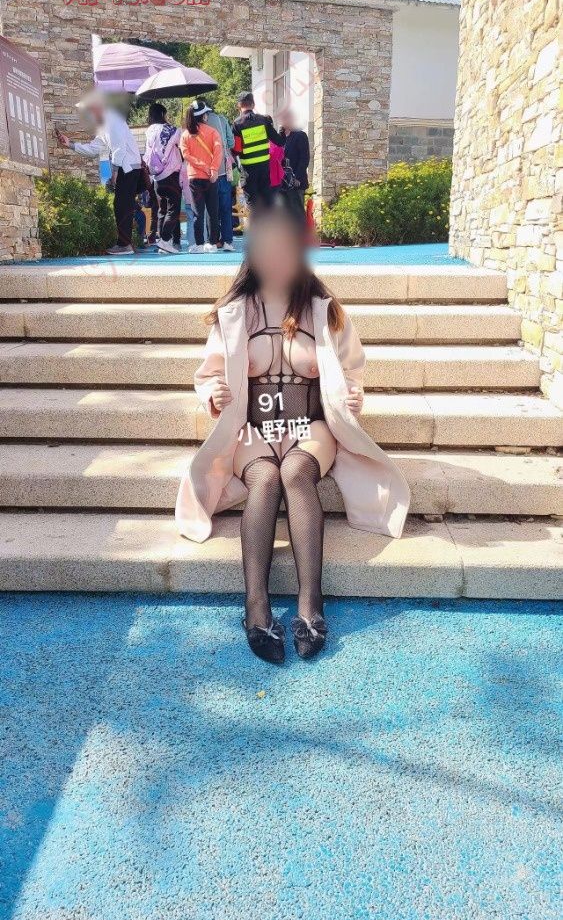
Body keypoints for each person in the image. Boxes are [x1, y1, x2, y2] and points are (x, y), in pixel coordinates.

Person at [175, 206, 410, 664]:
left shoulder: (324, 310)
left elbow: (351, 368)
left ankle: (310, 603)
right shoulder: (233, 313)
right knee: (264, 478)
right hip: (254, 428)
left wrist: (353, 395)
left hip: (309, 425)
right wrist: (214, 394)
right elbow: (209, 374)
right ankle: (256, 605)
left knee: (297, 473)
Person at [56, 90, 142, 256]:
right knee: (121, 205)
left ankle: (125, 244)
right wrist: (70, 144)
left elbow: (119, 148)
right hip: (126, 167)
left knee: (122, 205)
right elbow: (94, 148)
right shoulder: (104, 123)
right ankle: (125, 243)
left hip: (128, 167)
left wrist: (114, 172)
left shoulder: (111, 119)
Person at [180, 100, 222, 254]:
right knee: (213, 211)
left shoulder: (185, 135)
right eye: (206, 113)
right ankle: (212, 243)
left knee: (197, 212)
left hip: (194, 177)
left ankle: (198, 244)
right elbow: (218, 151)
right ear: (203, 116)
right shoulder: (213, 132)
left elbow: (186, 155)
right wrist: (213, 169)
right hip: (211, 177)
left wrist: (202, 166)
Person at [232, 91, 284, 210]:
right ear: (253, 104)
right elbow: (279, 142)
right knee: (267, 203)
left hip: (248, 172)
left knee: (252, 205)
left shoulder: (237, 124)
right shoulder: (264, 120)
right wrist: (282, 130)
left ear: (239, 105)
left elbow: (236, 150)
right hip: (264, 169)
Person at [144, 103, 183, 255]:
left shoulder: (149, 130)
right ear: (162, 114)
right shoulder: (172, 130)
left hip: (156, 177)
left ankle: (162, 241)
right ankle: (165, 240)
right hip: (171, 174)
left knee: (162, 209)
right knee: (174, 209)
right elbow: (182, 144)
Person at [206, 107, 236, 252]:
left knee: (211, 210)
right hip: (224, 169)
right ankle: (228, 241)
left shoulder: (199, 124)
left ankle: (214, 240)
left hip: (207, 173)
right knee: (225, 208)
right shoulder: (222, 119)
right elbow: (231, 143)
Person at [279, 108, 310, 219]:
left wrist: (296, 178)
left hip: (296, 183)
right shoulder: (279, 138)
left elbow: (304, 159)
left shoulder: (300, 135)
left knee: (297, 216)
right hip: (282, 184)